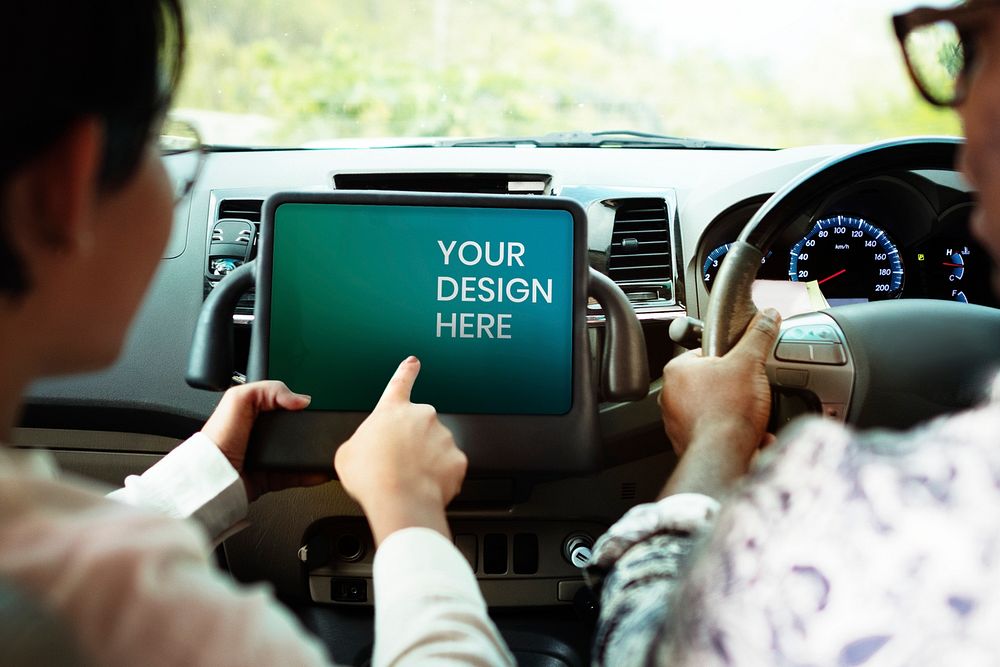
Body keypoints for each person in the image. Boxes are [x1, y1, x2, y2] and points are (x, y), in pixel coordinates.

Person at [0, 2, 514, 665]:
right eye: (166, 146)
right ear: (67, 182)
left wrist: (209, 472)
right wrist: (410, 511)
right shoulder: (134, 615)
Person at [586, 2, 1000, 665]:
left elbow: (647, 648)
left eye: (972, 48)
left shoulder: (857, 524)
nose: (963, 126)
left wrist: (718, 436)